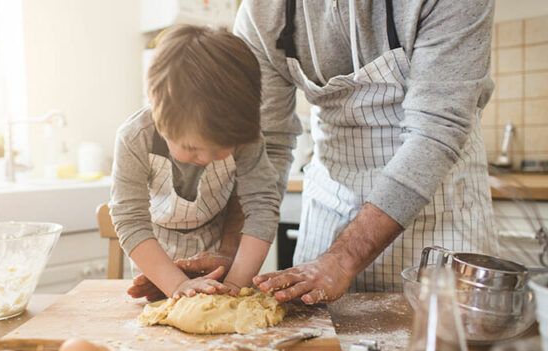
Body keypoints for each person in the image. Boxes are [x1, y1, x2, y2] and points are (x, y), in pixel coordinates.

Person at [129, 0, 498, 304]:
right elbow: (264, 148)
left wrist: (343, 258)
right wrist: (230, 257)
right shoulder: (263, 12)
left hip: (438, 214)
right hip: (330, 207)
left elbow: (434, 133)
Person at [110, 24, 281, 300]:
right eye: (191, 147)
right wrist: (175, 284)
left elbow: (262, 206)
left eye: (220, 148)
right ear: (161, 121)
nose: (204, 158)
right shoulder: (135, 138)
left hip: (222, 257)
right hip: (157, 257)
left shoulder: (245, 136)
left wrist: (236, 284)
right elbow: (130, 220)